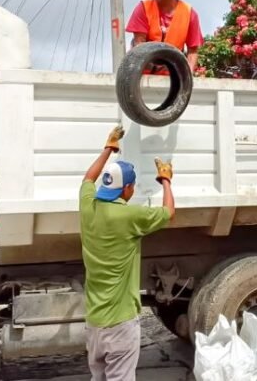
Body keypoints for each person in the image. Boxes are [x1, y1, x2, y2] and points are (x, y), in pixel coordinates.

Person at [79, 126, 175, 381]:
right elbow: (168, 213)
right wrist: (165, 179)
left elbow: (88, 179)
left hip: (95, 323)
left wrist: (108, 148)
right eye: (132, 187)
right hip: (120, 324)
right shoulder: (129, 216)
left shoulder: (88, 206)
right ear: (127, 189)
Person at [126, 0, 204, 72]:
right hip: (143, 73)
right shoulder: (143, 7)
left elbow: (193, 51)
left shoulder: (189, 13)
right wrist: (150, 69)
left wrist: (187, 77)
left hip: (173, 75)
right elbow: (139, 44)